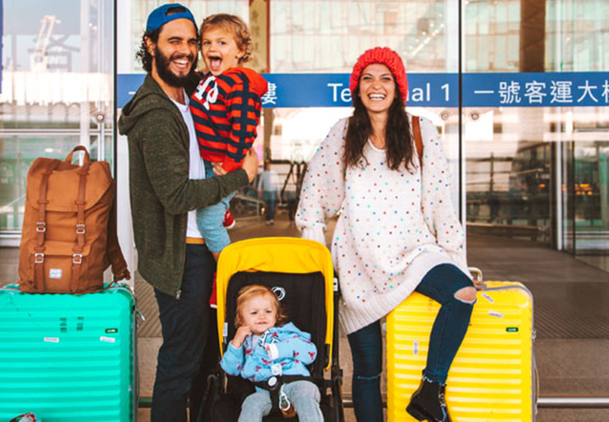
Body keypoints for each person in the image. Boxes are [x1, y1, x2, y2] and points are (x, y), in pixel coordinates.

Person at [296, 47, 480, 422]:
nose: (375, 86)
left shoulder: (419, 130)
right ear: (357, 88)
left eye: (385, 78)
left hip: (415, 251)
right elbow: (313, 197)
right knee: (367, 371)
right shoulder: (343, 133)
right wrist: (318, 264)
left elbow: (441, 201)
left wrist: (457, 259)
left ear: (398, 87)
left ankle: (431, 389)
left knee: (462, 293)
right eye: (367, 78)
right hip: (357, 263)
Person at [117, 4, 258, 422]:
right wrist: (241, 175)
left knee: (205, 361)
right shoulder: (156, 113)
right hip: (183, 256)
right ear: (151, 45)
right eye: (173, 41)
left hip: (204, 249)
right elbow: (177, 196)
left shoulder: (193, 90)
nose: (186, 50)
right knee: (181, 362)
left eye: (192, 42)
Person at [191, 13, 267, 259]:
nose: (212, 48)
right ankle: (224, 212)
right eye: (207, 42)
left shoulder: (240, 85)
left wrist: (229, 166)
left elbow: (244, 129)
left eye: (222, 42)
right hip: (206, 160)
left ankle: (227, 274)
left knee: (207, 221)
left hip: (223, 166)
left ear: (240, 50)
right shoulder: (210, 80)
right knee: (208, 210)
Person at [221, 285, 322, 422]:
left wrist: (280, 349)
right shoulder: (244, 342)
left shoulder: (286, 333)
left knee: (306, 394)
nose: (262, 316)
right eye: (254, 313)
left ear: (276, 315)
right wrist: (236, 343)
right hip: (264, 391)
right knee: (251, 403)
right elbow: (231, 370)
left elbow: (310, 353)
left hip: (295, 382)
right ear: (241, 320)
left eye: (268, 311)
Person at [257, 161, 279, 225]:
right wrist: (259, 190)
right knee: (267, 205)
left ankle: (271, 219)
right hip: (266, 191)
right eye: (267, 166)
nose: (268, 167)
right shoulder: (264, 174)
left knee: (271, 206)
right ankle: (267, 219)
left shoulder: (274, 173)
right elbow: (261, 182)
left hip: (272, 191)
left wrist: (278, 192)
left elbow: (277, 183)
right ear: (266, 166)